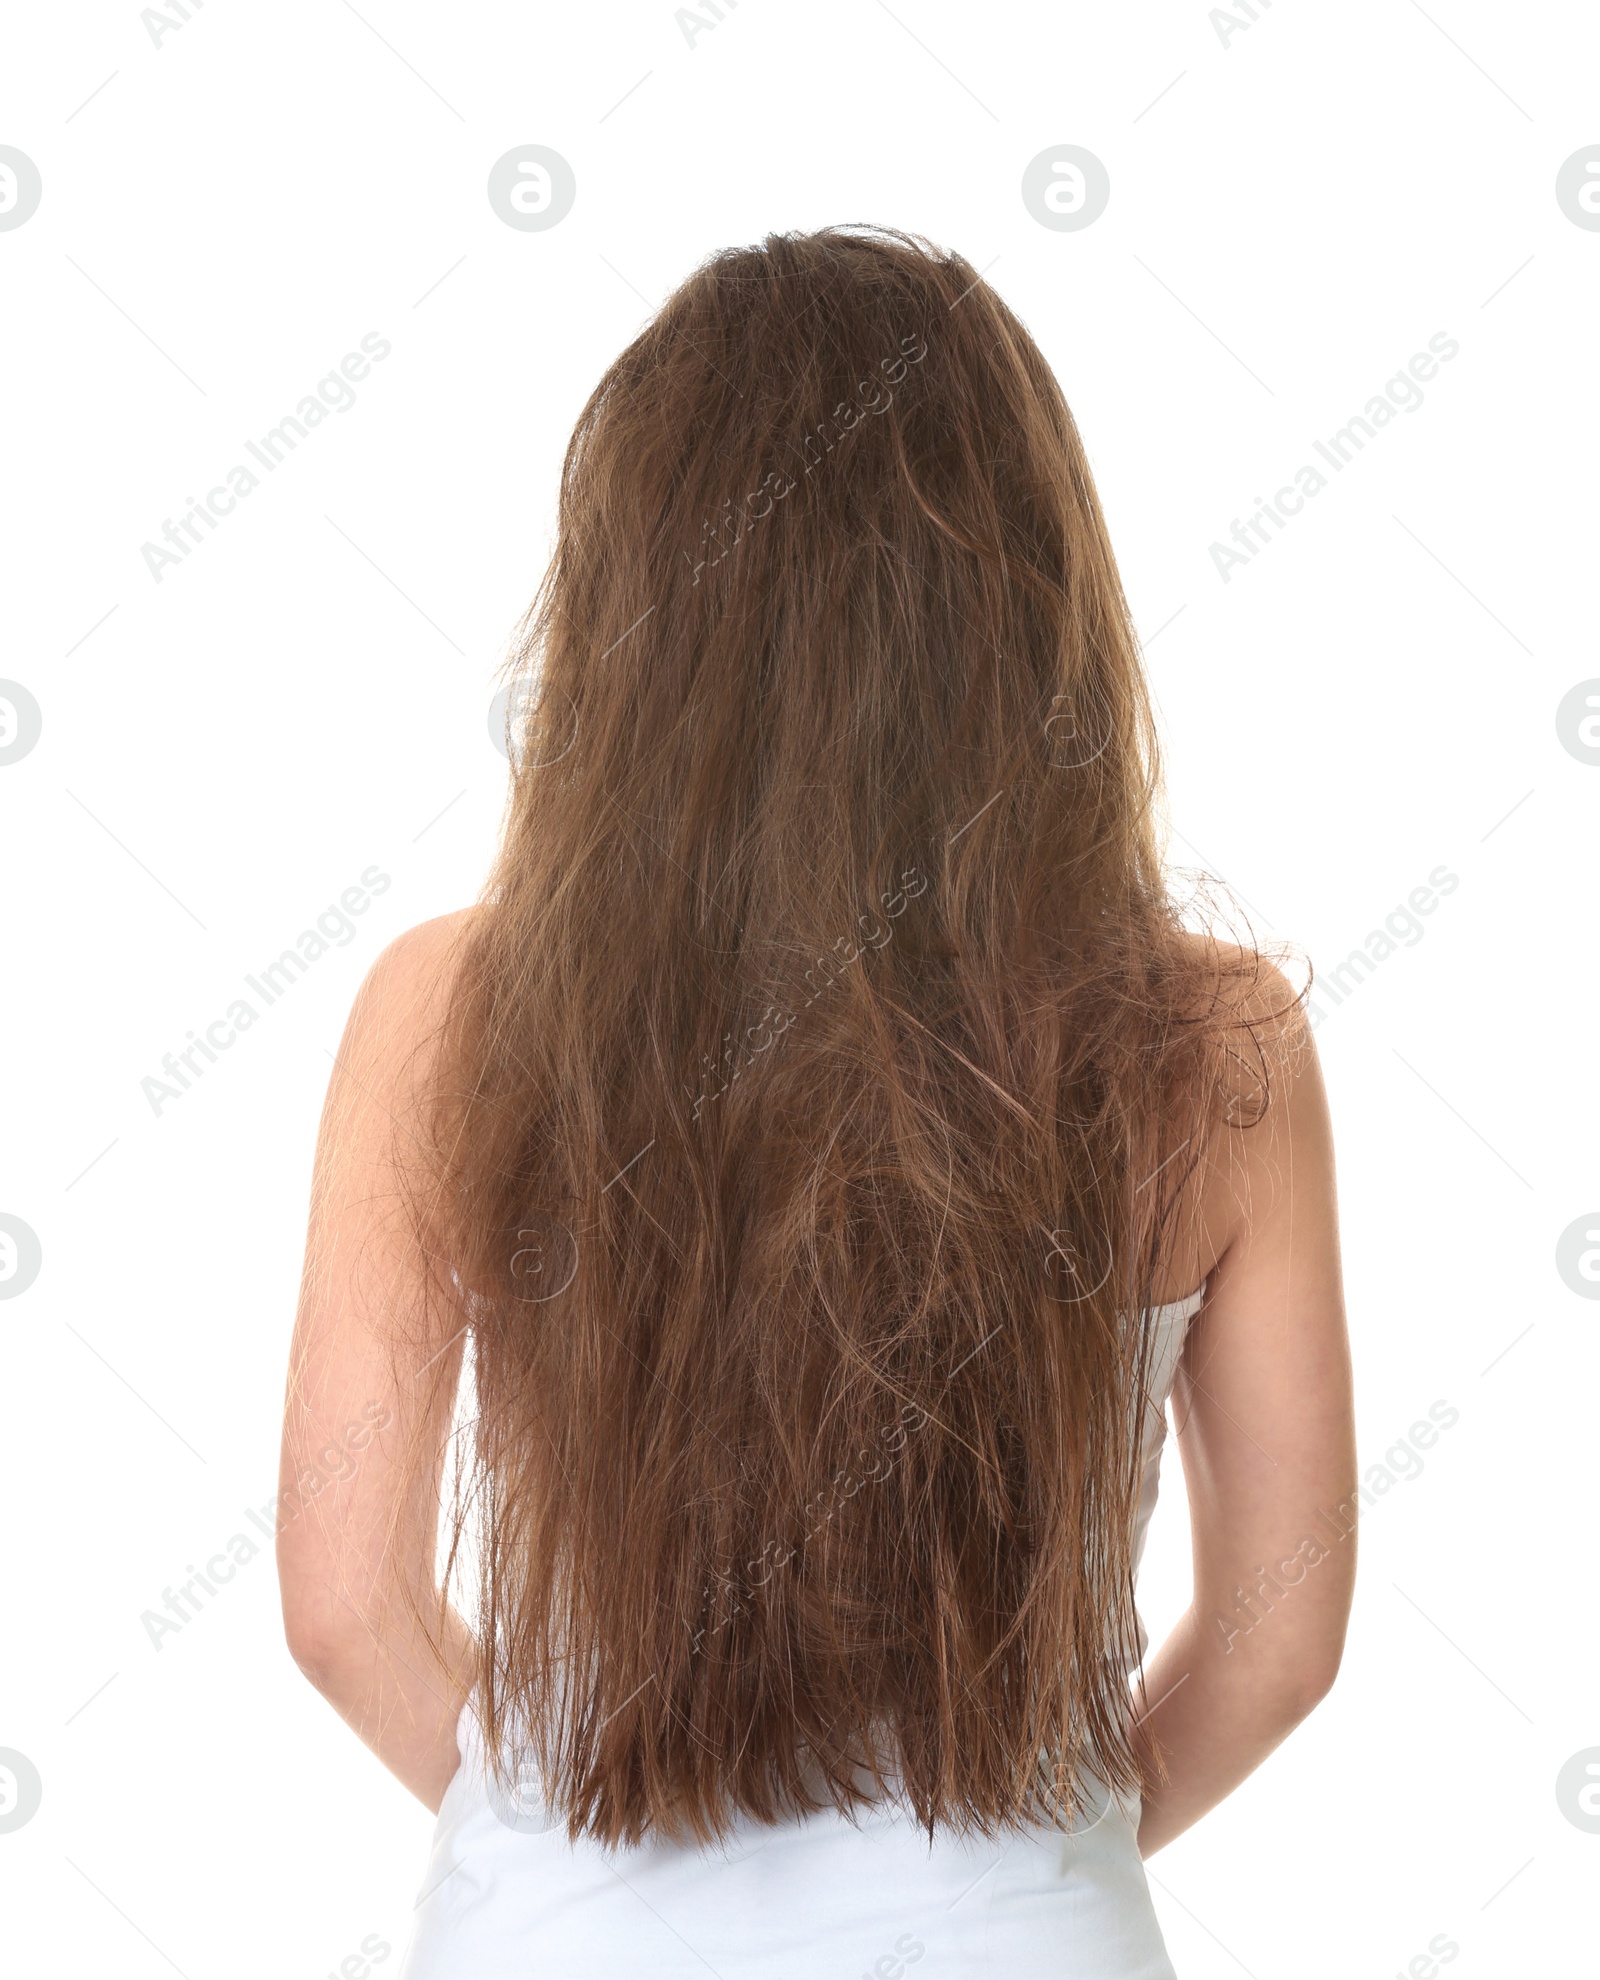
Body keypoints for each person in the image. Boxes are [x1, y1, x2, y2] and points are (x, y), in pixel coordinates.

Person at [277, 225, 1357, 1978]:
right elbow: (1283, 1636)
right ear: (1031, 598)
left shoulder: (450, 1016)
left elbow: (342, 1608)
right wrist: (1040, 1847)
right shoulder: (1207, 1049)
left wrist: (554, 1830)